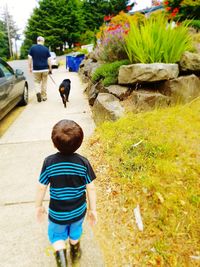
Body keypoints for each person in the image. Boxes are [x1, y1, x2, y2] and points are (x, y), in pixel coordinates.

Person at [35, 119, 97, 267]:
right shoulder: (83, 163)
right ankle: (75, 253)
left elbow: (41, 187)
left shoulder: (49, 162)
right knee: (75, 232)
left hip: (57, 213)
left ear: (54, 142)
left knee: (57, 237)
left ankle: (62, 261)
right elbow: (91, 187)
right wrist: (93, 210)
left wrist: (38, 206)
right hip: (78, 211)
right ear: (79, 142)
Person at [28, 36, 52, 102]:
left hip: (36, 69)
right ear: (43, 41)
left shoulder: (32, 48)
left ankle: (38, 92)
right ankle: (44, 97)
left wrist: (29, 67)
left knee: (36, 82)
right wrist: (50, 69)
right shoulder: (46, 49)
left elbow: (29, 58)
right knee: (44, 83)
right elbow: (49, 60)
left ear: (37, 41)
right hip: (45, 69)